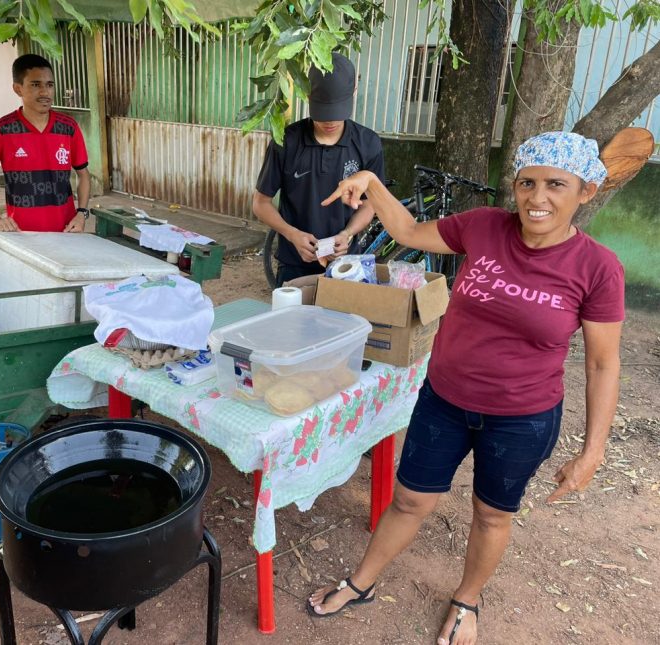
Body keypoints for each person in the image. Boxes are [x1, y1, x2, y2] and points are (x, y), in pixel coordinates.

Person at [308, 131, 624, 645]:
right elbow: (408, 229)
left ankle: (466, 599)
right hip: (445, 401)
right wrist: (371, 184)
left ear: (584, 192)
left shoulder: (597, 267)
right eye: (527, 183)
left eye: (555, 186)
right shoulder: (483, 227)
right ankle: (361, 583)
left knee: (492, 514)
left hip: (522, 418)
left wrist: (593, 451)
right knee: (409, 500)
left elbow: (603, 363)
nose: (536, 198)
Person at [252, 52, 385, 286]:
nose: (330, 122)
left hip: (346, 266)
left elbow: (370, 204)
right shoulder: (286, 141)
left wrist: (348, 234)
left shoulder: (368, 144)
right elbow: (260, 203)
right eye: (323, 112)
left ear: (353, 91)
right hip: (294, 266)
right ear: (307, 95)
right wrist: (292, 235)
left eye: (337, 111)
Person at [0, 54, 90, 233]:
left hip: (66, 233)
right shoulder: (2, 130)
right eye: (35, 85)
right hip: (22, 236)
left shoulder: (68, 127)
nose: (45, 92)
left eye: (49, 85)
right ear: (18, 89)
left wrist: (81, 213)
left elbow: (83, 174)